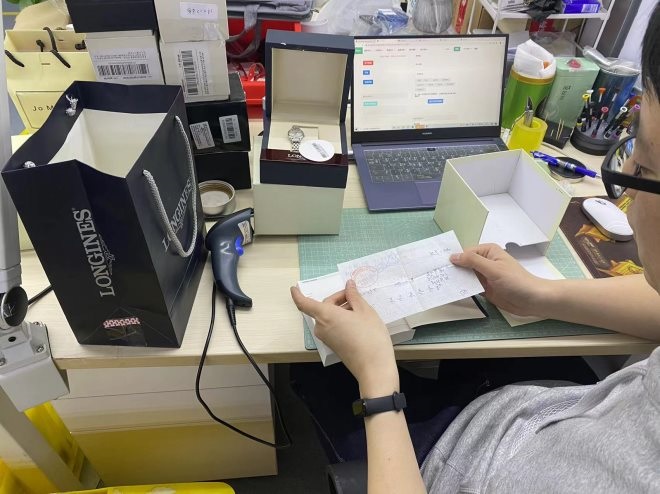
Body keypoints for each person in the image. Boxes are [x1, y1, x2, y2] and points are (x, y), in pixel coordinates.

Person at [290, 5, 660, 493]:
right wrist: (539, 294)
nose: (625, 191)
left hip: (447, 461)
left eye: (643, 167)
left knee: (308, 369)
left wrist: (377, 376)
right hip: (534, 413)